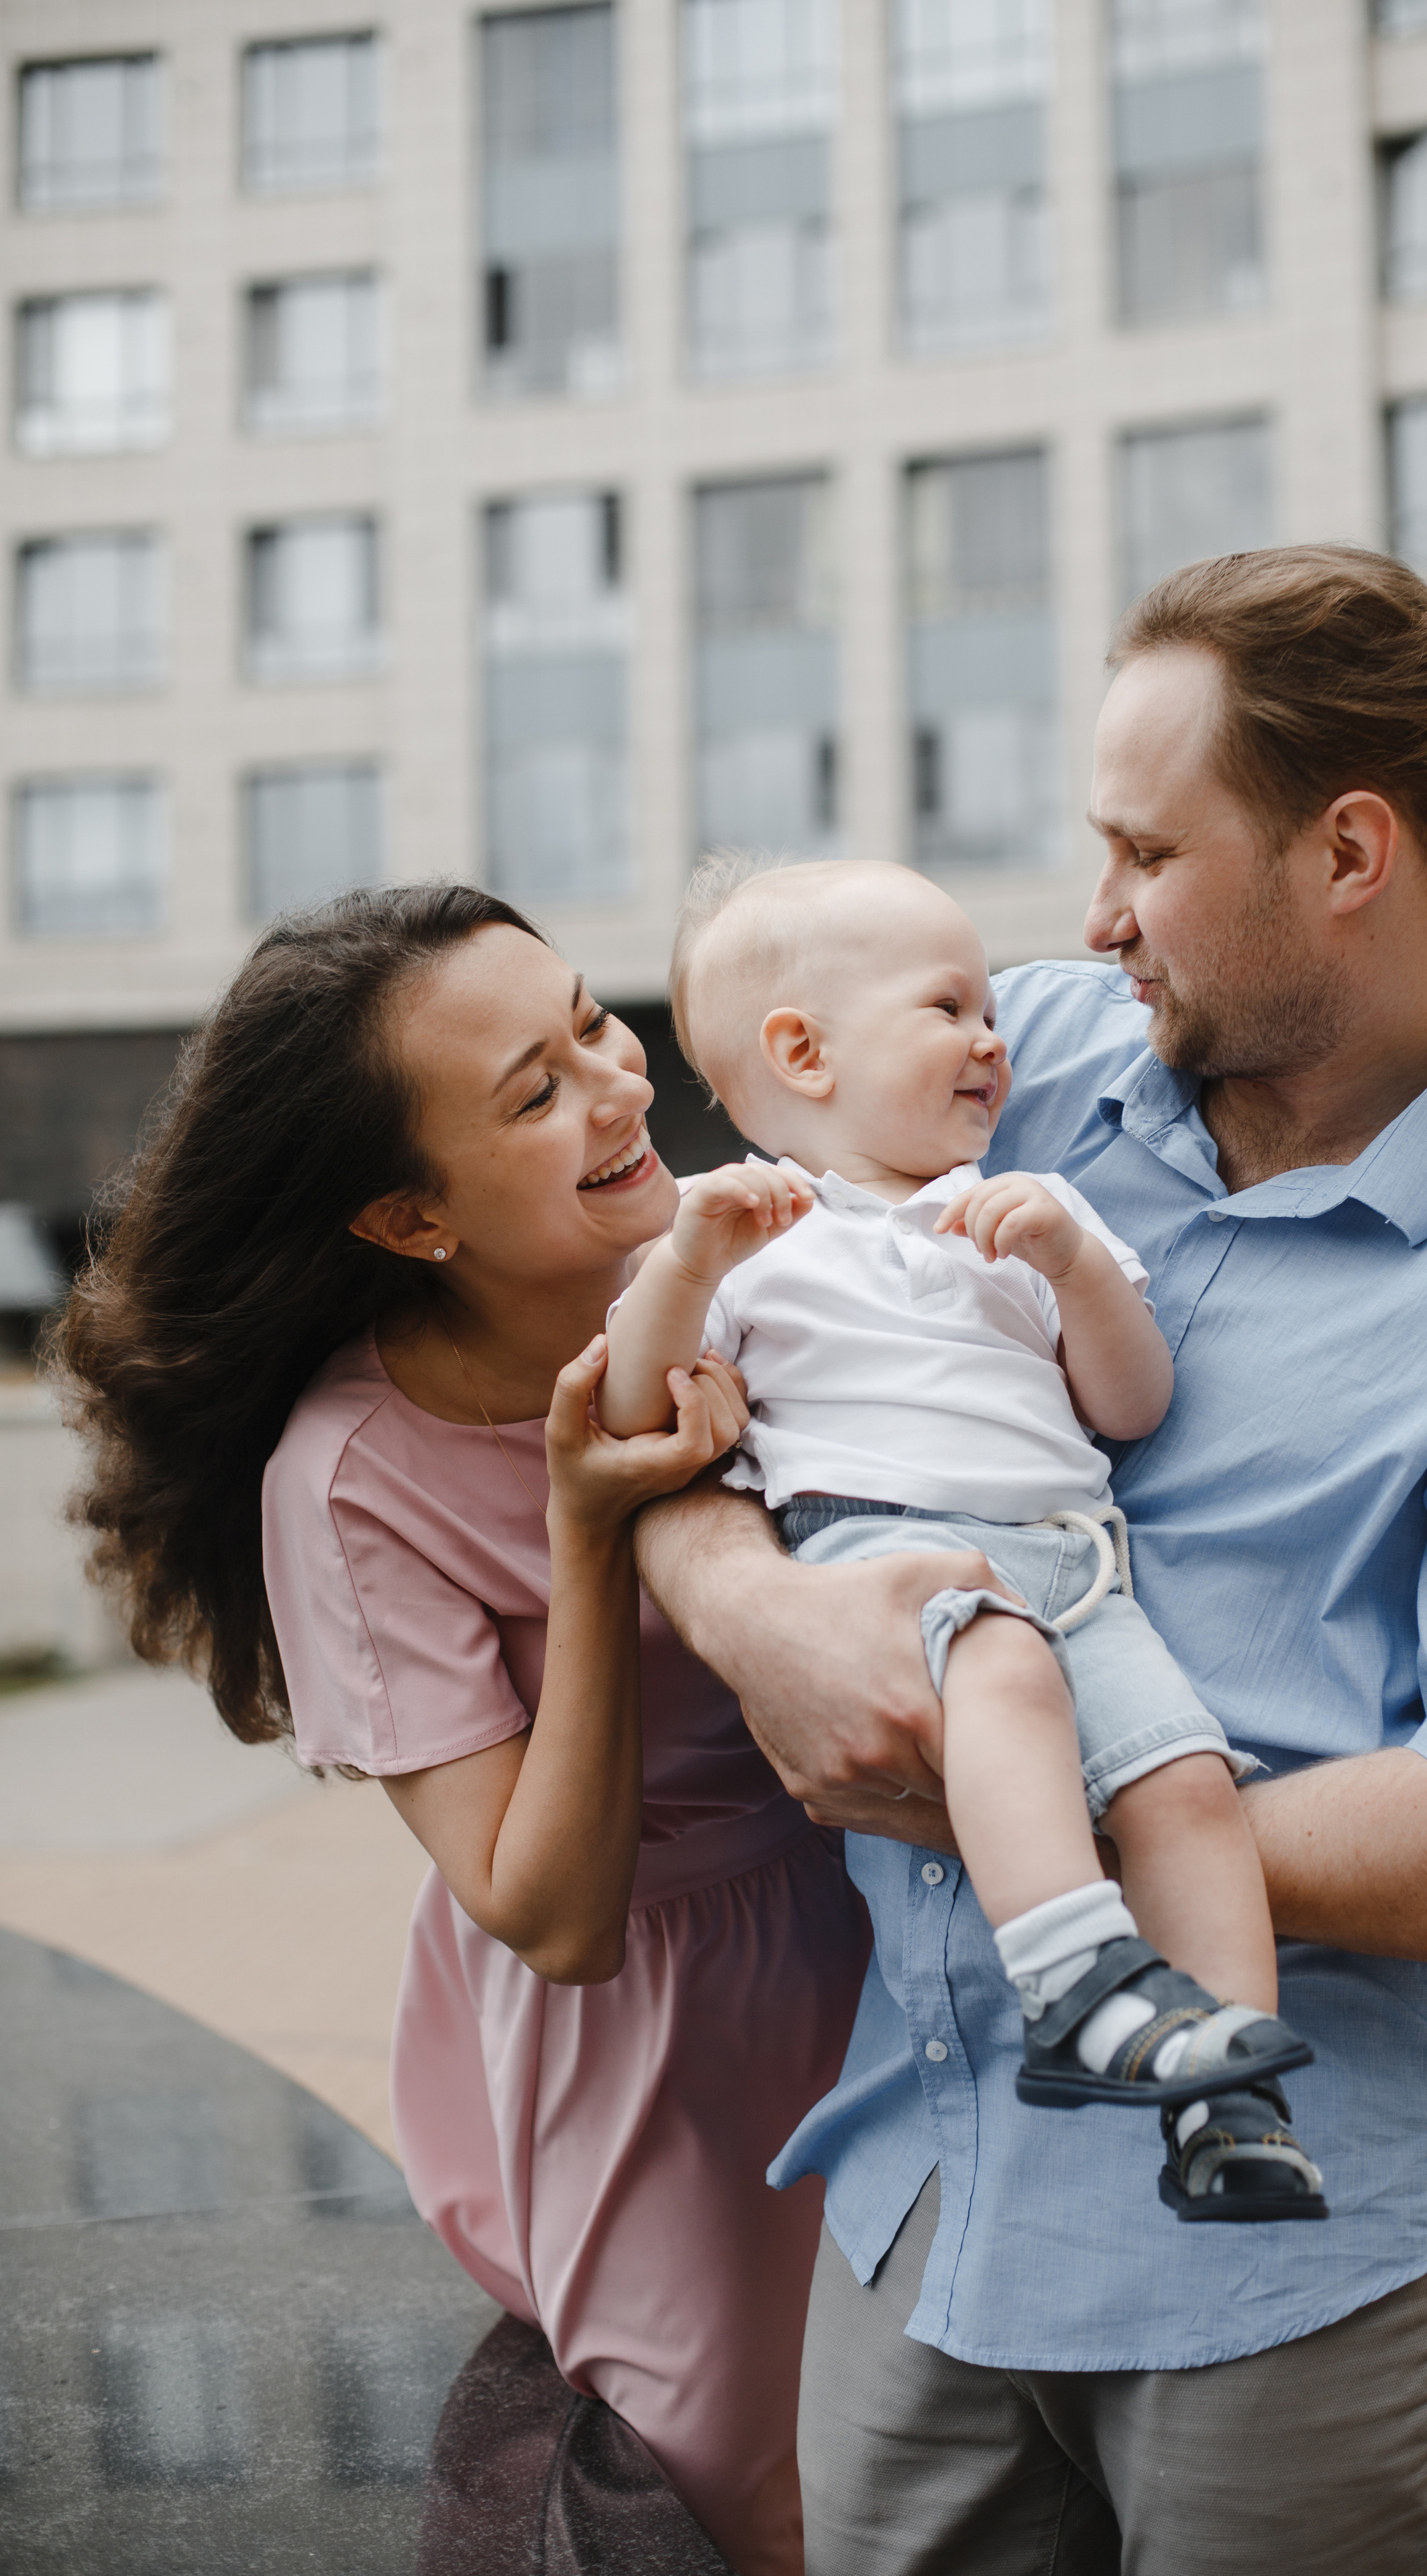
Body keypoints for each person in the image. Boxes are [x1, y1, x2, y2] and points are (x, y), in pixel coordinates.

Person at [633, 546, 1427, 2574]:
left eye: (1146, 852)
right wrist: (745, 1604)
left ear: (1350, 853)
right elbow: (685, 1392)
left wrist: (1029, 1826)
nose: (1091, 916)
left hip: (1289, 2283)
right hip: (925, 2196)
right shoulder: (1014, 1054)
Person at [53, 883, 871, 2576]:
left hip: (891, 1917)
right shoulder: (352, 1477)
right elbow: (552, 1917)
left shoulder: (759, 1257)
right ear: (411, 1218)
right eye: (535, 1091)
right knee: (751, 2496)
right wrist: (587, 1524)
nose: (619, 1083)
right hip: (656, 2025)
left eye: (590, 1021)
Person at [600, 854, 1324, 2220]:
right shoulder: (747, 1233)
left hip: (1077, 1571)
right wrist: (686, 1263)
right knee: (997, 1671)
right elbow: (636, 1413)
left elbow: (1130, 1404)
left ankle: (1227, 2100)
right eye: (949, 1008)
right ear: (804, 1053)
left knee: (1185, 1786)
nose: (994, 1040)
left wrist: (1068, 1264)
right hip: (883, 1560)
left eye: (991, 1007)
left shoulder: (1027, 1209)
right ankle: (1074, 1984)